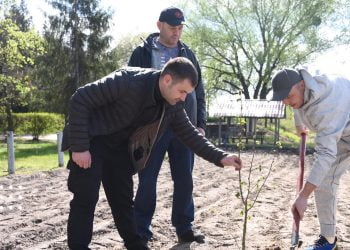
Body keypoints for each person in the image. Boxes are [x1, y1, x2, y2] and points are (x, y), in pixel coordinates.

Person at [62, 57, 242, 250]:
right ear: (167, 80)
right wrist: (80, 147)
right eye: (182, 91)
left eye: (187, 94)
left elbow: (190, 134)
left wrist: (221, 157)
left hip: (119, 150)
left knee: (123, 201)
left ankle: (135, 245)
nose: (184, 98)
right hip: (92, 141)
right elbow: (80, 98)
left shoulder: (172, 106)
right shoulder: (127, 81)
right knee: (86, 196)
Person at [128, 7, 207, 244]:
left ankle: (184, 228)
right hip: (153, 127)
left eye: (180, 28)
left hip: (184, 126)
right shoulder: (142, 53)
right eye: (173, 27)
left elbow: (200, 91)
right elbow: (131, 91)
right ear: (159, 25)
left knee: (184, 178)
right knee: (147, 179)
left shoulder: (188, 53)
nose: (177, 32)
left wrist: (200, 124)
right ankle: (140, 231)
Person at [271, 68, 350, 250]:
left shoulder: (328, 105)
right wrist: (299, 125)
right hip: (343, 134)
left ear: (302, 85)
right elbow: (298, 104)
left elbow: (325, 154)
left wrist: (303, 196)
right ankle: (328, 240)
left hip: (341, 129)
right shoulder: (304, 92)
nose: (286, 102)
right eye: (282, 98)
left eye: (288, 96)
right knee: (323, 181)